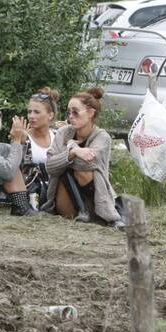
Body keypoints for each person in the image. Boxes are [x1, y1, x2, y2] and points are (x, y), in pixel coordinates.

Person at [42, 88, 122, 228]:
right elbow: (50, 166)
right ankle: (82, 210)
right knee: (64, 171)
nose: (70, 117)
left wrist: (69, 153)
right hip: (66, 199)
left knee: (84, 172)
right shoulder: (63, 132)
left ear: (90, 113)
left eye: (75, 112)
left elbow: (88, 163)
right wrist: (73, 152)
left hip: (96, 200)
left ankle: (97, 213)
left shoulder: (102, 137)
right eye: (68, 112)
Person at [21, 87, 59, 208]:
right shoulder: (24, 137)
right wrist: (18, 144)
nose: (31, 116)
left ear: (50, 115)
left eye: (37, 112)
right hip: (32, 192)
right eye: (29, 111)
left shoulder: (58, 136)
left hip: (56, 191)